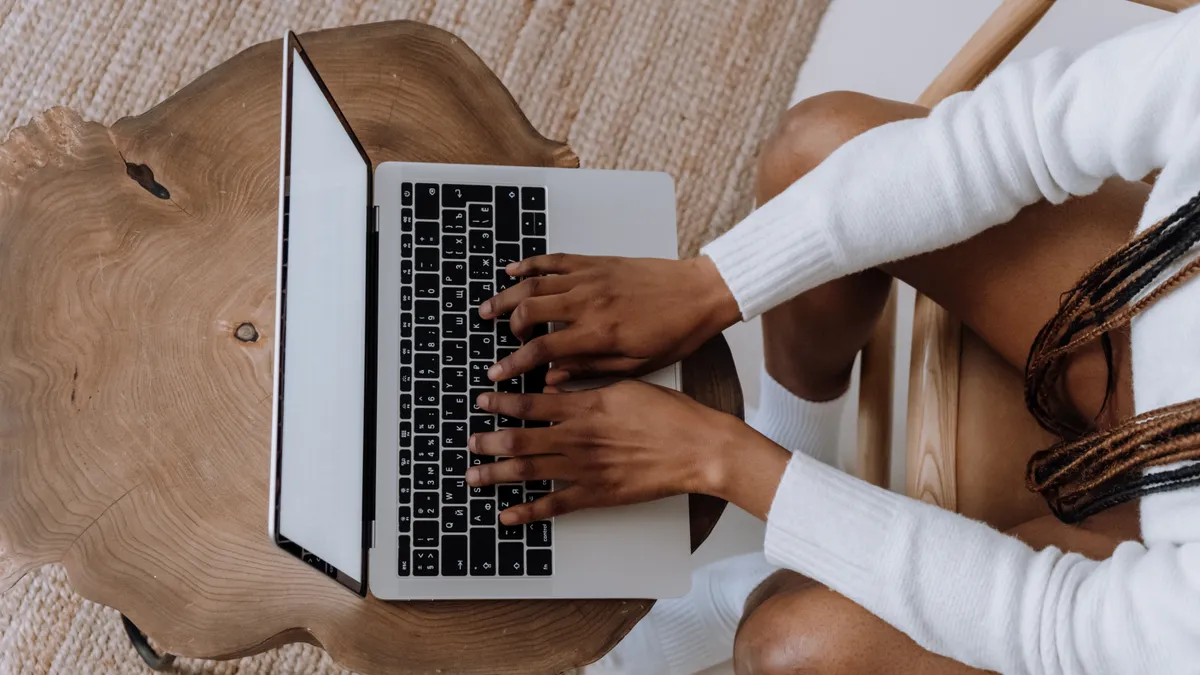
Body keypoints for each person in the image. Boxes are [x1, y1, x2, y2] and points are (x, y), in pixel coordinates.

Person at [467, 7, 1200, 675]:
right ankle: (797, 439)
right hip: (1141, 305)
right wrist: (710, 285)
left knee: (788, 647)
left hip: (1154, 577)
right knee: (812, 150)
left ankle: (745, 577)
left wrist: (719, 457)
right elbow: (1018, 135)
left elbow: (1056, 625)